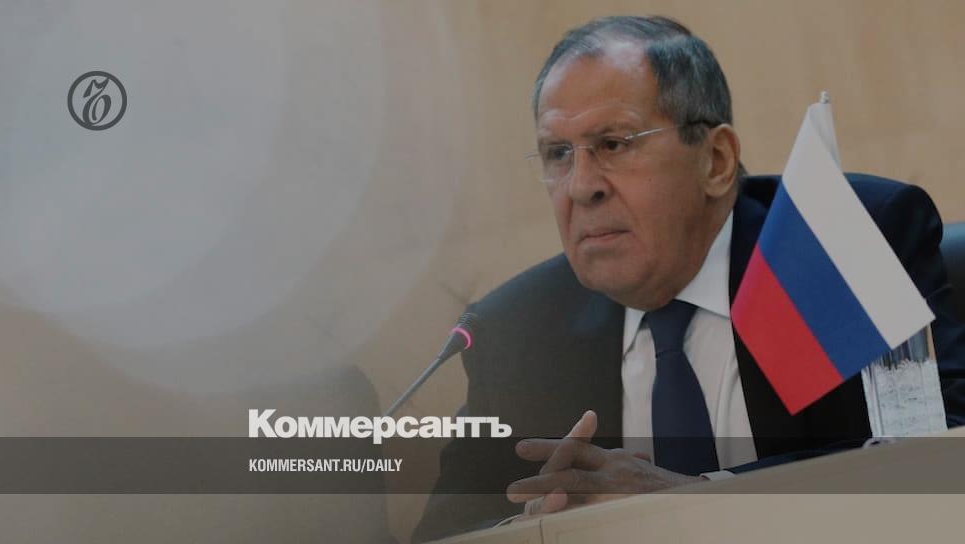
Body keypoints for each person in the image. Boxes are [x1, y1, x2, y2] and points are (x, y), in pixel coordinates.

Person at [413, 15, 965, 543]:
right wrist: (539, 526)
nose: (581, 186)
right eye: (558, 154)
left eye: (613, 144)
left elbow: (941, 453)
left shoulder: (838, 245)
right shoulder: (517, 333)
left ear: (716, 161)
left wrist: (700, 500)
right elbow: (446, 533)